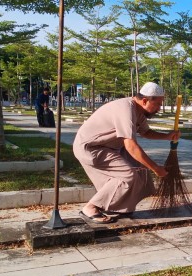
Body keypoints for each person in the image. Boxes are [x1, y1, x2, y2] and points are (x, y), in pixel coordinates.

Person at [73, 82, 180, 224]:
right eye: (158, 104)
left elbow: (146, 132)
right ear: (145, 100)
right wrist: (156, 168)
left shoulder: (140, 111)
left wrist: (167, 136)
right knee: (128, 175)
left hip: (110, 147)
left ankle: (120, 208)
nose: (159, 109)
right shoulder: (125, 109)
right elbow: (131, 146)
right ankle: (90, 207)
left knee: (141, 169)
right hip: (92, 148)